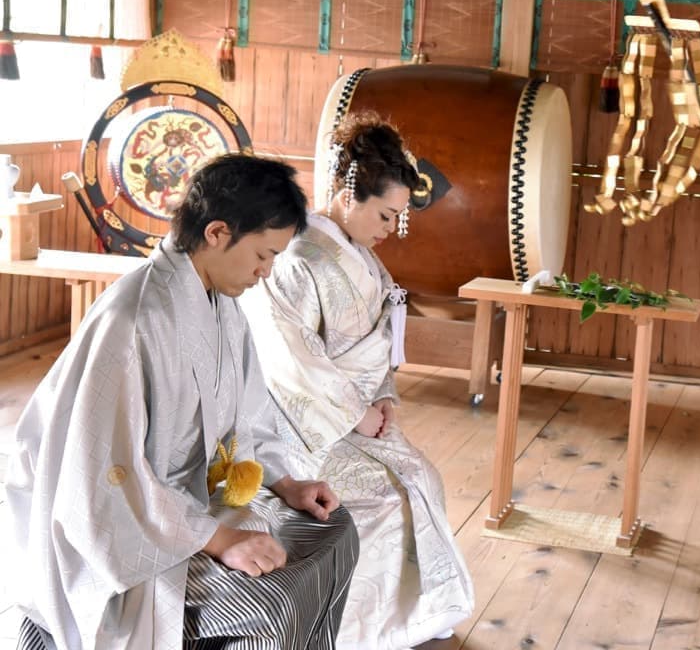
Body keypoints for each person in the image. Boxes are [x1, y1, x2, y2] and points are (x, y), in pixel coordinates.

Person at [5, 155, 360, 650]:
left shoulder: (223, 303)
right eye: (263, 254)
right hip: (126, 526)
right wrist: (216, 539)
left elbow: (249, 414)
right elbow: (105, 474)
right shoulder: (134, 322)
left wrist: (286, 481)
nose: (266, 271)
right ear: (217, 232)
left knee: (337, 533)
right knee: (270, 605)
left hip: (189, 500)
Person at [239, 111, 475, 650]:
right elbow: (289, 356)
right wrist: (356, 412)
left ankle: (412, 615)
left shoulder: (362, 256)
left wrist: (384, 396)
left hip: (354, 412)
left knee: (422, 476)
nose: (390, 230)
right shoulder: (297, 256)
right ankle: (350, 630)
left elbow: (380, 341)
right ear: (350, 195)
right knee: (383, 494)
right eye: (387, 215)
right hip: (299, 422)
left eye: (397, 218)